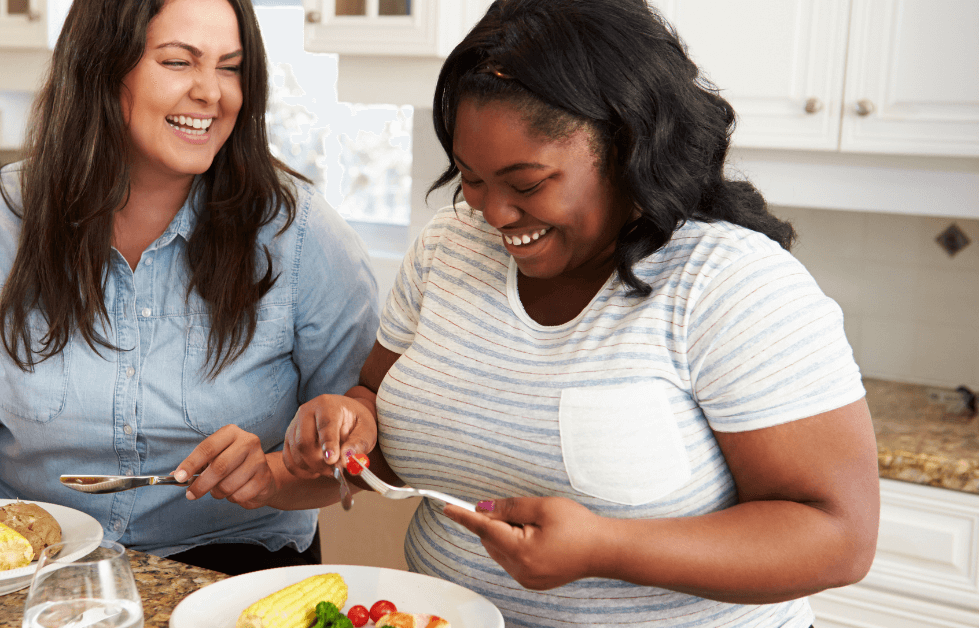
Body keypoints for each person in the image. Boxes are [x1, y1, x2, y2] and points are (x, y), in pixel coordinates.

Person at [281, 0, 879, 625]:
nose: (493, 214)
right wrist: (348, 422)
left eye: (528, 183)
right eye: (472, 178)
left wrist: (605, 548)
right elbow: (377, 399)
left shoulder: (729, 283)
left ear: (625, 146)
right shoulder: (447, 248)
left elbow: (838, 536)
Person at [0, 0, 378, 576]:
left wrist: (272, 473)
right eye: (178, 61)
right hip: (25, 560)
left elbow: (352, 454)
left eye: (231, 67)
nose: (211, 92)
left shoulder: (297, 234)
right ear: (101, 64)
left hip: (229, 571)